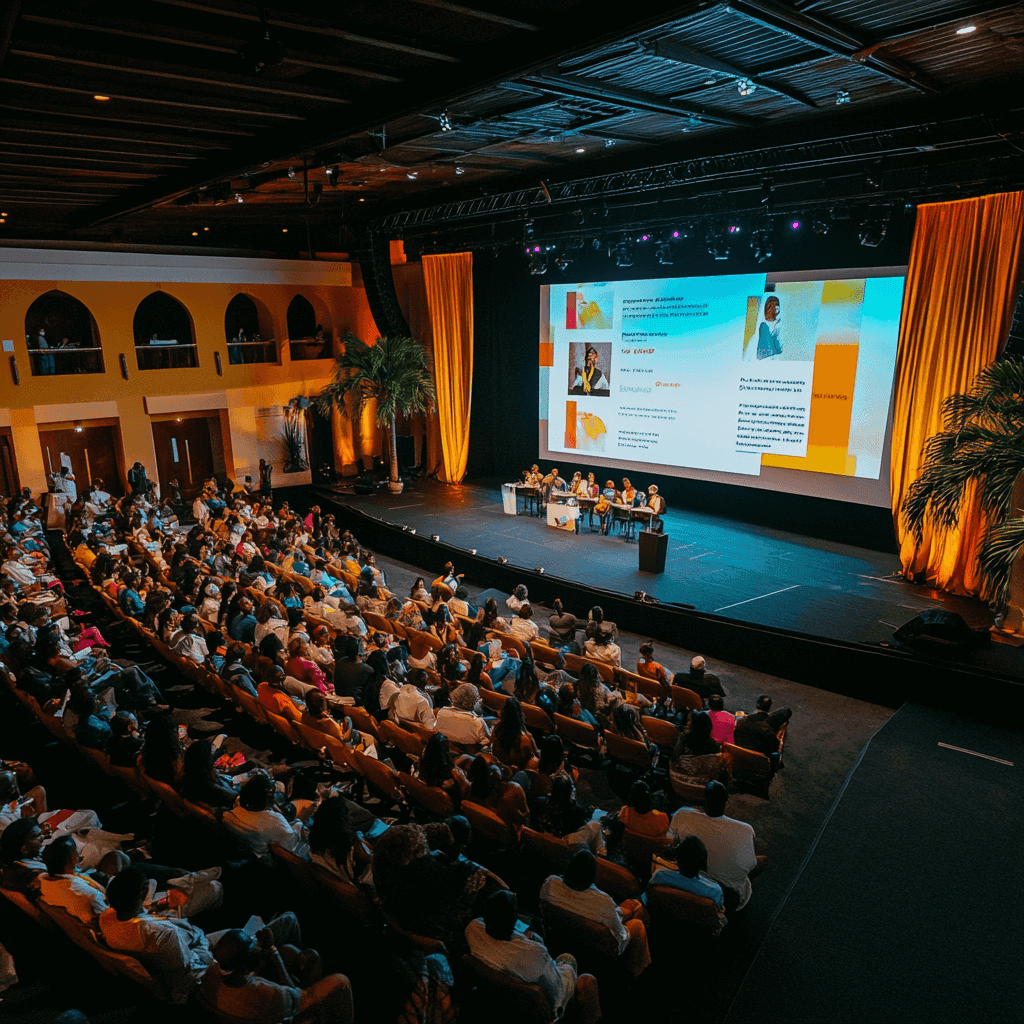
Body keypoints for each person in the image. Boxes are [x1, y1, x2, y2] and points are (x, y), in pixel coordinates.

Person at [465, 890, 601, 1022]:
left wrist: (525, 938)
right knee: (570, 962)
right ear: (513, 921)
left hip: (502, 1001)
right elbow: (557, 995)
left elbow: (492, 928)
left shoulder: (473, 929)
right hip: (551, 999)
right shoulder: (534, 953)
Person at [200, 925, 354, 1024]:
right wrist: (273, 951)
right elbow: (300, 998)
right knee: (341, 981)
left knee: (288, 950)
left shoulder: (211, 973)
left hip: (239, 1011)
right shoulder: (265, 994)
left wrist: (273, 953)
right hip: (286, 1012)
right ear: (249, 965)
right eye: (255, 949)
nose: (258, 948)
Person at [539, 848, 651, 978]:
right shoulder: (602, 901)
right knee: (638, 923)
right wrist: (626, 925)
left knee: (634, 908)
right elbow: (620, 937)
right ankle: (633, 975)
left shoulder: (550, 884)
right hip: (597, 952)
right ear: (593, 876)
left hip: (560, 940)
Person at [668, 780, 759, 911]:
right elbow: (750, 865)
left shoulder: (682, 815)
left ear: (704, 799)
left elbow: (669, 840)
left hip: (686, 881)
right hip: (728, 897)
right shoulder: (746, 830)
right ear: (726, 800)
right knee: (762, 861)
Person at [644, 835, 726, 933]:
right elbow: (718, 913)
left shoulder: (660, 875)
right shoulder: (715, 890)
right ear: (703, 863)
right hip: (697, 929)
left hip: (664, 921)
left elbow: (649, 894)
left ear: (677, 859)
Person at [224, 775, 304, 864]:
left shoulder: (230, 814)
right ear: (267, 799)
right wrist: (298, 824)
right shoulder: (275, 821)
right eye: (271, 796)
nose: (273, 799)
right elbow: (291, 845)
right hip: (272, 863)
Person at [38, 834, 109, 923]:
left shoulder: (43, 881)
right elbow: (107, 918)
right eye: (76, 851)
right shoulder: (92, 895)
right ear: (73, 857)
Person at [669, 711, 725, 796]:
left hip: (677, 785)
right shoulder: (716, 747)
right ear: (710, 727)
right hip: (700, 791)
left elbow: (673, 758)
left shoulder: (684, 740)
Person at [434, 683, 490, 749]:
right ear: (474, 702)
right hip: (472, 755)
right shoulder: (477, 722)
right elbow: (487, 741)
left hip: (447, 749)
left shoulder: (441, 712)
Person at [489, 697, 538, 770]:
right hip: (520, 770)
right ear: (520, 714)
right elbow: (534, 756)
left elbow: (491, 743)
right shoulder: (525, 738)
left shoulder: (497, 730)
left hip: (502, 767)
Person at [755, 294, 782, 360]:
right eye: (775, 308)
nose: (777, 310)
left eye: (778, 308)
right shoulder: (763, 324)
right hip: (766, 356)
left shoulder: (779, 323)